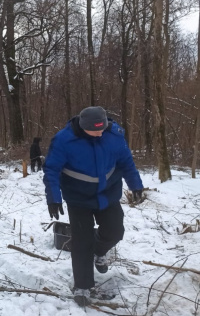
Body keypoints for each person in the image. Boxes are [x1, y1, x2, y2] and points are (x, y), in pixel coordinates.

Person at [43, 106, 144, 307]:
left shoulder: (113, 136)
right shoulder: (64, 140)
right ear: (83, 127)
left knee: (115, 230)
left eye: (102, 128)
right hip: (78, 198)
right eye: (95, 130)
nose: (100, 133)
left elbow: (126, 162)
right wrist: (53, 197)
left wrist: (136, 185)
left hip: (108, 194)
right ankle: (82, 285)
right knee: (82, 242)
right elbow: (52, 169)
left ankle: (99, 250)